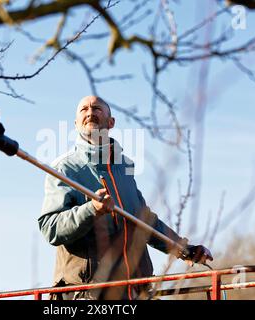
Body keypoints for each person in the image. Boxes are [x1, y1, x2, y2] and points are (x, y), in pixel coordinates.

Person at [39, 96, 213, 300]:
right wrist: (90, 210)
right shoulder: (64, 169)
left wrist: (183, 249)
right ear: (76, 123)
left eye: (96, 108)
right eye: (83, 109)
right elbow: (50, 228)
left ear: (111, 123)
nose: (89, 112)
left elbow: (145, 223)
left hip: (135, 291)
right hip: (86, 293)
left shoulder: (124, 168)